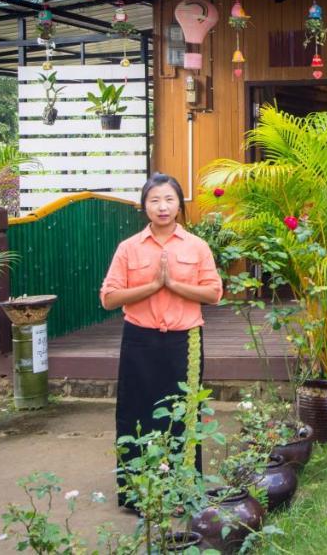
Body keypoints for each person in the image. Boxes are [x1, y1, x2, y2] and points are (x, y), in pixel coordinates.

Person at [100, 173, 222, 508]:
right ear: (144, 206)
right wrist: (152, 286)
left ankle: (183, 492)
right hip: (139, 341)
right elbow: (109, 298)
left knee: (183, 415)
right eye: (154, 200)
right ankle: (138, 494)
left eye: (169, 199)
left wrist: (173, 285)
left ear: (179, 206)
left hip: (184, 342)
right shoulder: (129, 248)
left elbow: (213, 293)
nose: (162, 207)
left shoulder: (196, 246)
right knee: (136, 414)